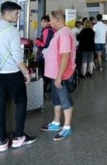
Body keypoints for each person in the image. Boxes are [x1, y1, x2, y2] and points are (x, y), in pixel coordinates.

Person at [0, 1, 36, 152]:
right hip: (12, 73)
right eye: (16, 13)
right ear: (7, 13)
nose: (18, 16)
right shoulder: (12, 31)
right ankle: (18, 137)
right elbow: (17, 57)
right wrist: (26, 72)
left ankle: (2, 142)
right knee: (21, 101)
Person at [40, 9, 76, 141]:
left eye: (50, 19)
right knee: (56, 99)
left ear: (57, 19)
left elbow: (66, 56)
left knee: (64, 99)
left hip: (61, 74)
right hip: (54, 73)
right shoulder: (59, 33)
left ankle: (66, 127)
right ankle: (56, 122)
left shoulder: (65, 33)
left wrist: (59, 76)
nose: (49, 22)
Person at [34, 15, 55, 92]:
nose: (42, 23)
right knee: (47, 72)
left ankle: (46, 87)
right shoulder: (52, 29)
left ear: (48, 22)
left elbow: (45, 44)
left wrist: (37, 42)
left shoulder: (47, 30)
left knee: (44, 72)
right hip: (50, 55)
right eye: (41, 21)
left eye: (44, 21)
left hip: (44, 55)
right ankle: (48, 86)